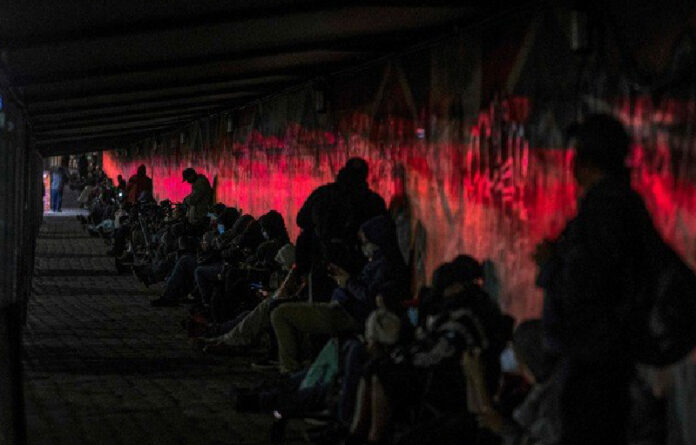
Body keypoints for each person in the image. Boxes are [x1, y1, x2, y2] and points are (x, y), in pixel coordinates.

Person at [534, 114, 652, 445]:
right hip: (605, 358)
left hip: (595, 362)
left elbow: (585, 287)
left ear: (584, 161)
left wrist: (550, 265)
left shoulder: (604, 212)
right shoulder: (622, 206)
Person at [271, 214, 408, 373]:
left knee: (279, 314)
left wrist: (347, 282)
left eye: (366, 241)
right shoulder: (379, 262)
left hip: (348, 313)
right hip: (345, 307)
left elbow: (371, 297)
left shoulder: (384, 266)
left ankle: (289, 369)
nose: (364, 245)